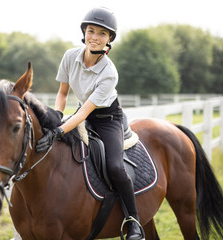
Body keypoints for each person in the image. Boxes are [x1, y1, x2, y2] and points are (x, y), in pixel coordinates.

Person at [36, 7, 143, 240]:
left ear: (109, 39)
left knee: (114, 166)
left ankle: (133, 220)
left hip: (107, 119)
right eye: (91, 30)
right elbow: (63, 93)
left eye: (102, 33)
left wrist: (58, 130)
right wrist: (56, 114)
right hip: (80, 113)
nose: (95, 37)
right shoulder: (69, 57)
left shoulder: (109, 72)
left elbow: (85, 111)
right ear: (84, 31)